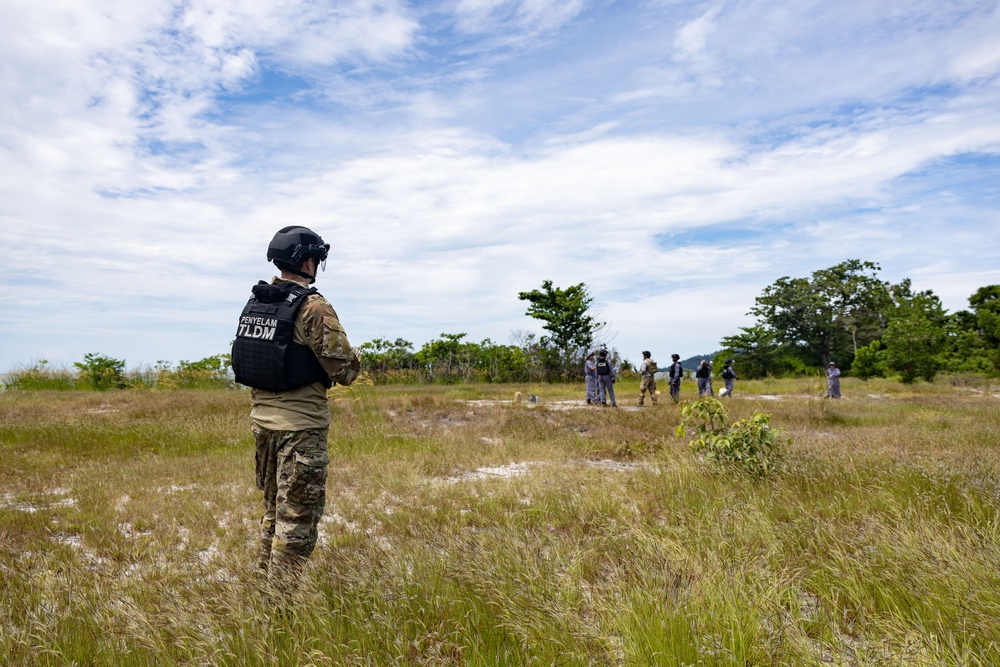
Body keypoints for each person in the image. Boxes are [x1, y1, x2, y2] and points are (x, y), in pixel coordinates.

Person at [231, 225, 362, 581]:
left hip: (263, 425)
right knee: (298, 524)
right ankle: (280, 611)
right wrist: (357, 358)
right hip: (301, 430)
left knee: (273, 514)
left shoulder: (258, 302)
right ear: (309, 260)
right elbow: (345, 370)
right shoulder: (312, 306)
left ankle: (265, 591)